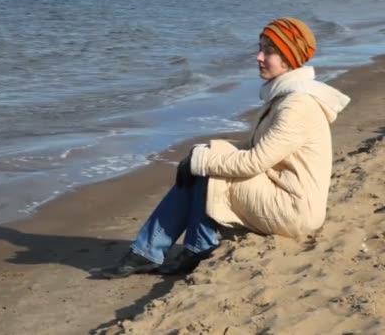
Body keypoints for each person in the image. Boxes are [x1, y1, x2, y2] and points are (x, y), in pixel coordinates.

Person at [101, 17, 350, 278]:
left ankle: (189, 249)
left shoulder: (296, 105)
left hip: (294, 209)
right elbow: (253, 146)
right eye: (260, 48)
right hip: (282, 193)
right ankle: (149, 252)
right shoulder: (286, 96)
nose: (259, 57)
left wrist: (200, 161)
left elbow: (254, 161)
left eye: (269, 51)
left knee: (208, 171)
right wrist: (202, 151)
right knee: (205, 163)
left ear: (290, 58)